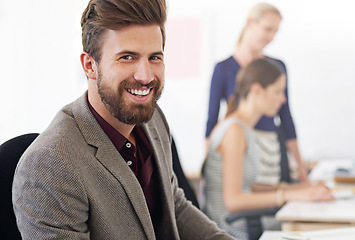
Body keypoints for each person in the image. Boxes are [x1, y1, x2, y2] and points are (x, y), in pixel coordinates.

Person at [12, 0, 235, 239]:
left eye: (154, 58)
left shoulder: (152, 119)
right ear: (90, 66)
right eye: (127, 57)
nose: (145, 76)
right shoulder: (49, 165)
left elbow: (175, 208)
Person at [203, 58, 334, 240]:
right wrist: (286, 195)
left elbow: (247, 186)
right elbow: (233, 201)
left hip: (242, 222)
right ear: (257, 90)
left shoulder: (242, 128)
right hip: (232, 228)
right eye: (278, 91)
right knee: (314, 227)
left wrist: (299, 189)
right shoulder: (234, 131)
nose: (283, 99)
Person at [205, 2, 309, 185]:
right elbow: (211, 120)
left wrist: (301, 168)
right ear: (251, 23)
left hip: (271, 149)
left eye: (276, 32)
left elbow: (286, 116)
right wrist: (208, 170)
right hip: (239, 149)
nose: (271, 37)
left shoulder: (277, 68)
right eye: (268, 29)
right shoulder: (223, 69)